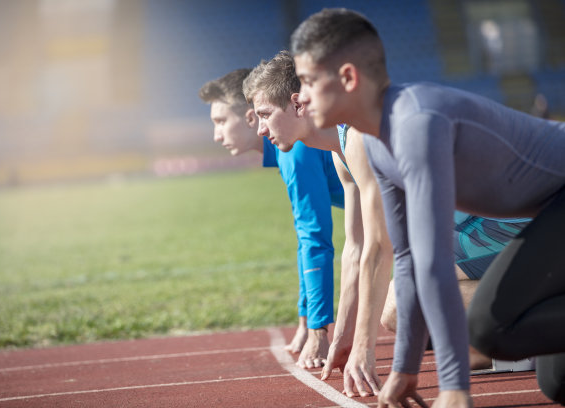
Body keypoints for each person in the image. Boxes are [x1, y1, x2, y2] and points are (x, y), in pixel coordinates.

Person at [291, 7, 565, 408]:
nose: (303, 96)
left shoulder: (416, 121)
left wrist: (454, 388)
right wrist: (404, 371)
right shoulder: (375, 145)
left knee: (490, 327)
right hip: (550, 210)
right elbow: (406, 259)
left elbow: (433, 260)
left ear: (348, 78)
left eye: (310, 82)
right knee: (557, 383)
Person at [243, 51, 393, 397]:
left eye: (265, 115)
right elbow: (354, 250)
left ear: (297, 105)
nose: (261, 129)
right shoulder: (339, 153)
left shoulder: (357, 137)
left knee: (400, 308)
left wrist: (363, 349)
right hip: (452, 238)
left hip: (491, 225)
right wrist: (340, 339)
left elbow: (376, 247)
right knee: (399, 308)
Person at [198, 68, 345, 369]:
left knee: (395, 315)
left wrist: (318, 332)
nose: (216, 134)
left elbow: (314, 239)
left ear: (251, 117)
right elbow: (305, 238)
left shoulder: (295, 149)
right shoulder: (287, 148)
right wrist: (304, 321)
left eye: (222, 121)